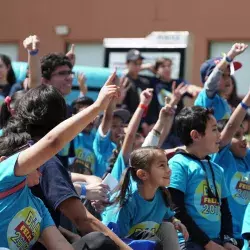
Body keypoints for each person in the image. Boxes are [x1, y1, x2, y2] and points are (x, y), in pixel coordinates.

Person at [0, 80, 131, 249]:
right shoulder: (5, 175)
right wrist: (98, 106)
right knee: (98, 243)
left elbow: (60, 245)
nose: (42, 171)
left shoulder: (38, 207)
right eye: (37, 165)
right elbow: (52, 141)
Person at [168, 106, 239, 250]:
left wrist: (228, 240)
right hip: (189, 242)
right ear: (195, 136)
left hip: (216, 242)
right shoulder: (178, 164)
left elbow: (225, 211)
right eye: (214, 130)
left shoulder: (217, 169)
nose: (219, 135)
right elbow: (176, 209)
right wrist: (207, 243)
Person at [102, 147, 188, 250]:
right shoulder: (128, 201)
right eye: (162, 165)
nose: (169, 170)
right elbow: (114, 239)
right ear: (143, 174)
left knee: (168, 227)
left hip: (146, 245)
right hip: (119, 245)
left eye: (167, 165)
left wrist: (176, 221)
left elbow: (168, 215)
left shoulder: (162, 194)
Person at [210, 89, 250, 249]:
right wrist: (246, 101)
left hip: (245, 235)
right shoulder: (221, 156)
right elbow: (231, 126)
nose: (244, 140)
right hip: (226, 237)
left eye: (244, 135)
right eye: (238, 135)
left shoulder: (246, 158)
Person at [194, 43, 247, 121]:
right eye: (223, 75)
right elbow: (213, 79)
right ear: (207, 79)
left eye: (229, 75)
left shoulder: (224, 102)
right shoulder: (206, 96)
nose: (228, 79)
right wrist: (229, 57)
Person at [122, 49, 160, 131]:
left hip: (148, 126)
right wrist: (142, 123)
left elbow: (153, 106)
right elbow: (124, 106)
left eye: (140, 64)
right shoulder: (124, 82)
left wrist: (152, 122)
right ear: (127, 63)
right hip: (129, 125)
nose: (138, 66)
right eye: (135, 63)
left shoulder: (145, 82)